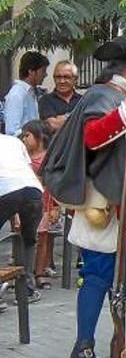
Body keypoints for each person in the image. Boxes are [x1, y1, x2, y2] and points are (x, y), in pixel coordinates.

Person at [39, 36, 126, 358]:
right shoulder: (105, 96)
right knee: (98, 276)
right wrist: (124, 115)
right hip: (105, 204)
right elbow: (92, 138)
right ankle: (82, 348)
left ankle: (125, 337)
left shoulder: (121, 97)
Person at [0, 132, 44, 308]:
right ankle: (26, 290)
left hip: (5, 190)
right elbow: (26, 169)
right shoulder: (14, 141)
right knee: (29, 240)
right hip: (32, 190)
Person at [20, 120, 58, 290]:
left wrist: (56, 206)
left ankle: (39, 272)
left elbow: (54, 184)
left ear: (40, 137)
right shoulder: (22, 158)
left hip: (44, 203)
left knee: (42, 237)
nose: (23, 139)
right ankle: (21, 271)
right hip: (24, 203)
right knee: (22, 238)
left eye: (27, 135)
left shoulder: (49, 158)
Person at [4, 51, 49, 136]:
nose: (45, 74)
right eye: (43, 71)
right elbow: (12, 132)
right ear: (31, 71)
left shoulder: (30, 92)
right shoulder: (17, 94)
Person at [38, 60, 82, 133]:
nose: (62, 81)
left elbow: (87, 124)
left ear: (75, 79)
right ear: (54, 79)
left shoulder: (82, 100)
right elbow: (52, 125)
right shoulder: (45, 101)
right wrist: (78, 119)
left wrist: (63, 118)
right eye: (58, 77)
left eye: (66, 77)